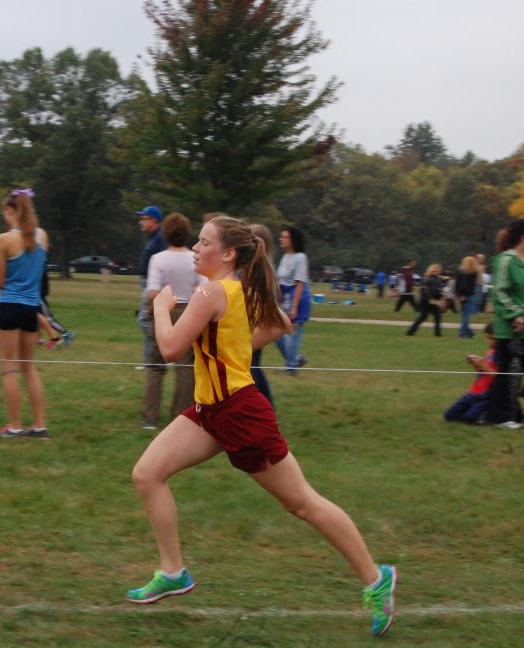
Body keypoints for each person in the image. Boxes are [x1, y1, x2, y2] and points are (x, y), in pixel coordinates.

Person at [125, 215, 396, 638]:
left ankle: (377, 580)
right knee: (147, 474)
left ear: (228, 253)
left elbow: (171, 348)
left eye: (204, 242)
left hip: (240, 413)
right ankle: (174, 571)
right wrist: (231, 348)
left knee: (302, 502)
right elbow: (279, 326)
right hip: (208, 411)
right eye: (196, 241)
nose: (196, 248)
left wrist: (161, 307)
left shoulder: (211, 291)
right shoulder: (237, 289)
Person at [0, 189, 48, 438]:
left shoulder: (3, 239)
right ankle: (39, 425)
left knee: (9, 367)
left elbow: (1, 282)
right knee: (29, 367)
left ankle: (14, 426)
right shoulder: (42, 236)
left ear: (10, 211)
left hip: (9, 306)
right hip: (31, 308)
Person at [141, 213, 202, 430]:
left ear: (165, 234)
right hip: (189, 311)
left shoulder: (158, 259)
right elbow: (201, 288)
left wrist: (151, 313)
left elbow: (152, 291)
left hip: (164, 310)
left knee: (155, 365)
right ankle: (181, 416)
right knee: (186, 365)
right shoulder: (195, 259)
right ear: (187, 235)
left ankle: (150, 417)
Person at [489, 221, 524, 429]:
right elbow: (500, 292)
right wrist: (516, 315)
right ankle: (503, 417)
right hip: (510, 329)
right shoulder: (505, 260)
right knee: (508, 373)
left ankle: (514, 413)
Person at [274, 226, 310, 374]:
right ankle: (295, 359)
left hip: (297, 297)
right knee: (277, 333)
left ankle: (291, 367)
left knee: (293, 333)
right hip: (285, 298)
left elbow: (300, 283)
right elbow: (281, 279)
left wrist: (294, 307)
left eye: (285, 237)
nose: (281, 239)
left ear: (292, 240)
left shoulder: (300, 258)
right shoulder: (285, 257)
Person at [444, 323, 496, 424]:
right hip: (474, 392)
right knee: (449, 416)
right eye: (488, 338)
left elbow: (500, 377)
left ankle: (487, 415)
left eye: (491, 338)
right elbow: (481, 373)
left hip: (486, 396)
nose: (488, 341)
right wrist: (475, 364)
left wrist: (483, 366)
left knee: (469, 419)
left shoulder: (503, 356)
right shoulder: (490, 353)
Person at [136, 206, 167, 369]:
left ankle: (167, 345)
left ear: (154, 220)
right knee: (148, 320)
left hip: (153, 285)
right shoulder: (153, 238)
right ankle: (150, 362)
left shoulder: (160, 239)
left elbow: (164, 263)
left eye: (144, 218)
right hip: (147, 283)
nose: (141, 221)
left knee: (144, 320)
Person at [249, 223, 275, 406]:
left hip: (255, 322)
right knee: (253, 365)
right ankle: (265, 404)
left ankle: (266, 404)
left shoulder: (259, 268)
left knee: (252, 366)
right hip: (256, 320)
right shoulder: (262, 266)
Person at [405, 264, 444, 337]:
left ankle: (410, 332)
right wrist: (441, 294)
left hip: (424, 301)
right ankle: (438, 334)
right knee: (437, 318)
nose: (439, 272)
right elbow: (434, 291)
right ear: (434, 271)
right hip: (432, 301)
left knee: (422, 317)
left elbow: (423, 290)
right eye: (438, 271)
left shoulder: (426, 278)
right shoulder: (435, 280)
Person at [455, 256, 482, 339]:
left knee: (464, 315)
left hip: (461, 295)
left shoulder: (460, 272)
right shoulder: (472, 273)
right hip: (469, 295)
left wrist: (459, 295)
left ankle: (469, 333)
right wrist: (465, 296)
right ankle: (463, 334)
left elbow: (457, 285)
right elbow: (470, 286)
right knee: (466, 316)